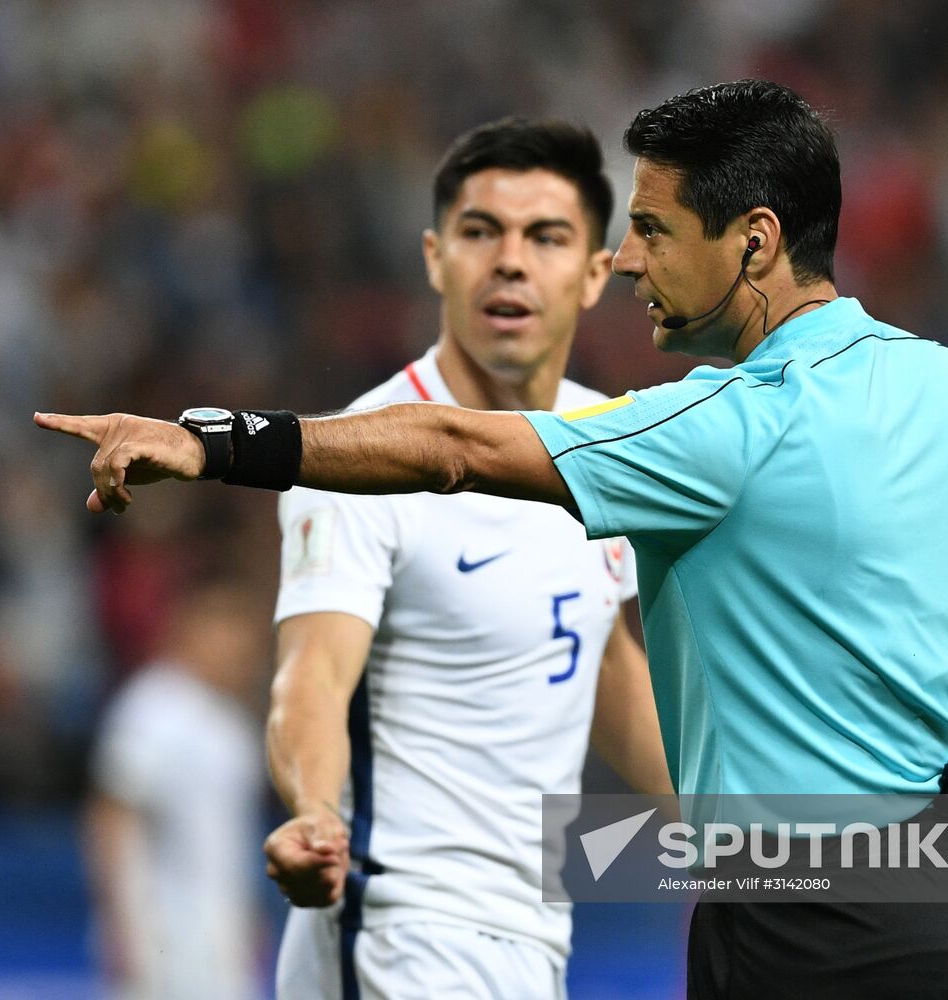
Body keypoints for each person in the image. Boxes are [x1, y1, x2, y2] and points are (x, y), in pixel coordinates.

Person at [40, 79, 948, 998]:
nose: (630, 263)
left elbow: (449, 449)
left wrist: (212, 441)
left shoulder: (714, 423)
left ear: (751, 239)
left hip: (806, 916)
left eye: (654, 231)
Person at [271, 118, 669, 1000]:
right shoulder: (354, 458)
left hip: (528, 931)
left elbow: (595, 658)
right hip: (397, 924)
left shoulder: (610, 443)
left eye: (547, 236)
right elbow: (311, 676)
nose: (511, 261)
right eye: (481, 232)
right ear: (435, 257)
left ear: (597, 272)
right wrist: (312, 813)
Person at [84, 580, 269, 1000]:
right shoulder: (153, 706)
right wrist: (121, 922)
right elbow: (111, 815)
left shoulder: (233, 723)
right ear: (190, 629)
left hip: (221, 933)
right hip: (160, 933)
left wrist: (247, 913)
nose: (238, 650)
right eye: (225, 631)